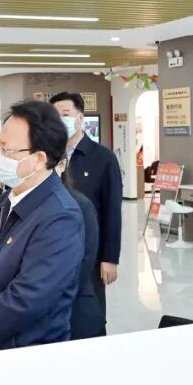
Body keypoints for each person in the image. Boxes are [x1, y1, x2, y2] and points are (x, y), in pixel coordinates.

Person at [0, 101, 84, 354]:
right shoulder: (5, 200)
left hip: (24, 355)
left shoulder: (60, 216)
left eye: (7, 150)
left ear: (39, 159)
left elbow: (28, 298)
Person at [50, 91, 122, 329]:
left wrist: (110, 258)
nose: (60, 121)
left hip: (89, 250)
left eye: (65, 114)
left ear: (80, 118)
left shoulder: (103, 158)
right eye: (55, 116)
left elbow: (112, 211)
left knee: (89, 310)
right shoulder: (46, 157)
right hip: (53, 247)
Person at [59, 159, 103, 340]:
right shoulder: (10, 204)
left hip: (74, 315)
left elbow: (85, 260)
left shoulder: (79, 205)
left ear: (61, 165)